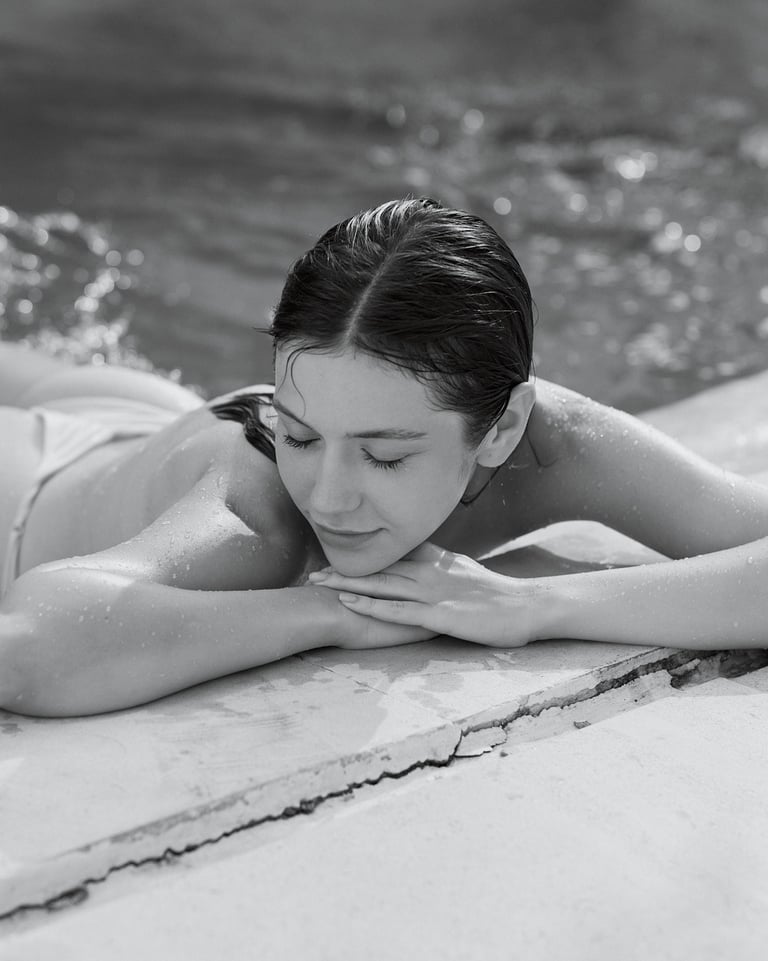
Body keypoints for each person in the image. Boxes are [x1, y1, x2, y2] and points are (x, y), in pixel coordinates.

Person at [1, 197, 767, 718]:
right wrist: (327, 611)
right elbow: (29, 648)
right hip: (29, 487)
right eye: (300, 434)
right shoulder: (258, 521)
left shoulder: (550, 447)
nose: (327, 498)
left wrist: (535, 606)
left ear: (501, 428)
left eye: (385, 457)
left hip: (134, 415)